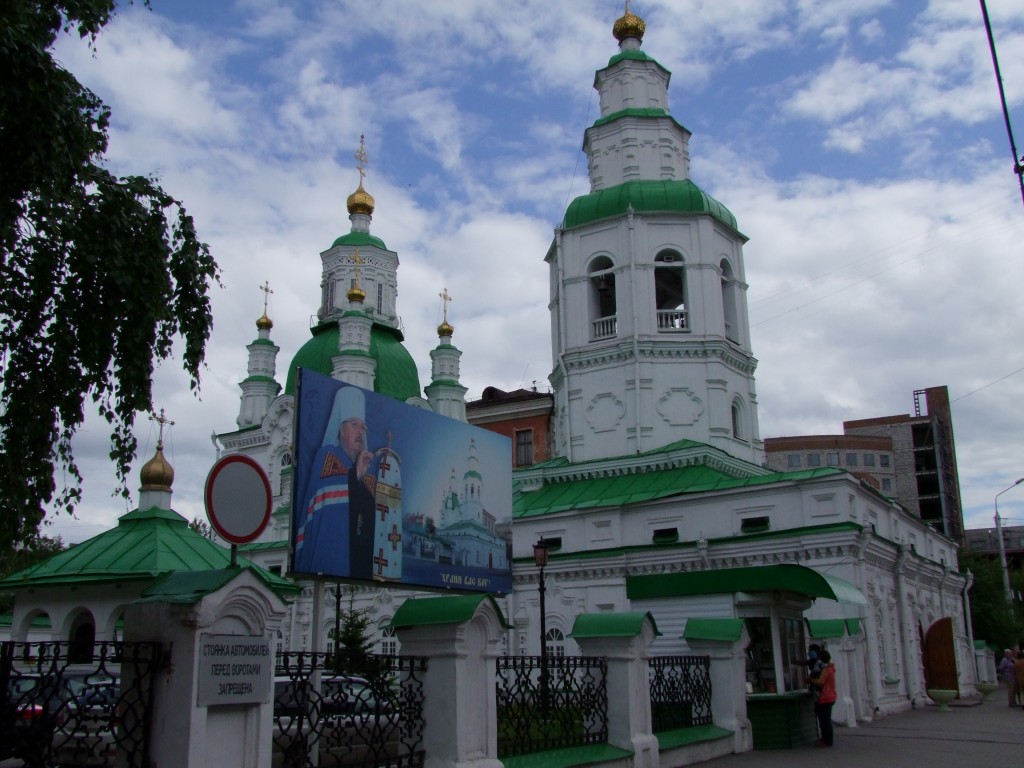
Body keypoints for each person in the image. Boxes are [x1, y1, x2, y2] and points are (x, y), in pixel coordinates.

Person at [295, 386, 377, 579]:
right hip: (330, 557)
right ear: (340, 428)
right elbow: (327, 499)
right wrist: (355, 477)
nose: (360, 432)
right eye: (354, 425)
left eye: (363, 427)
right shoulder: (327, 456)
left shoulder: (366, 467)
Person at [810, 649, 837, 747]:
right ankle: (826, 739)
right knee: (825, 720)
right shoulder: (831, 669)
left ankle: (827, 740)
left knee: (824, 720)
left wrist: (811, 680)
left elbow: (820, 682)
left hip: (826, 697)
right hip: (830, 697)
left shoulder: (826, 670)